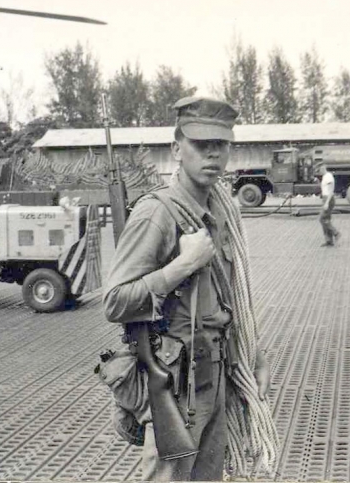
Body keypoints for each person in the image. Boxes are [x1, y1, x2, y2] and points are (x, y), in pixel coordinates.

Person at [103, 96, 278, 481]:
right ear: (176, 150)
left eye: (221, 145)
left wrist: (256, 354)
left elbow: (231, 298)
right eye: (201, 145)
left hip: (216, 375)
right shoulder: (158, 213)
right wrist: (182, 265)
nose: (212, 155)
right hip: (177, 382)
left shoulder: (219, 211)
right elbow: (115, 302)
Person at [319, 169, 341, 246]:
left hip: (328, 199)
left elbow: (331, 190)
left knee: (322, 219)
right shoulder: (325, 176)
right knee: (326, 219)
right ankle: (329, 241)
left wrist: (327, 203)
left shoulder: (328, 176)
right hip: (326, 198)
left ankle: (335, 233)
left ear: (323, 168)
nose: (318, 171)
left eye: (319, 169)